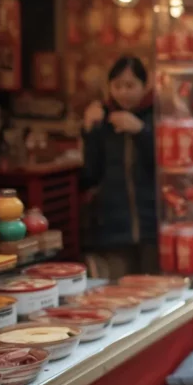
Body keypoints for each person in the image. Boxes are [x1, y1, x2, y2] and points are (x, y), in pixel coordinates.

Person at [81, 56, 158, 279]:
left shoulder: (157, 115)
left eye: (130, 85)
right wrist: (89, 131)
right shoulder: (102, 119)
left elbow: (162, 166)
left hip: (152, 226)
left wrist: (141, 131)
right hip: (113, 229)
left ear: (144, 86)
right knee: (118, 288)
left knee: (153, 287)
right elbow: (90, 175)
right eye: (117, 86)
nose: (124, 92)